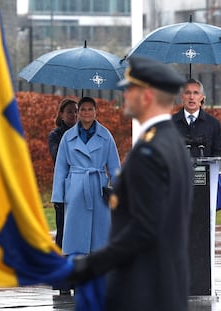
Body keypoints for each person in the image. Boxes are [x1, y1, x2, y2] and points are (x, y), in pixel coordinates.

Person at [66, 56, 193, 311]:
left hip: (143, 290)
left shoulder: (150, 151)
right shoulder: (172, 143)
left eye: (129, 90)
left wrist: (87, 266)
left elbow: (143, 229)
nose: (124, 95)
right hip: (166, 286)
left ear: (146, 96)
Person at [51, 96, 121, 261]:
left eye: (90, 109)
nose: (87, 112)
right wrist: (58, 196)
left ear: (96, 112)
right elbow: (61, 168)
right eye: (83, 109)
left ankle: (98, 279)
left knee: (100, 238)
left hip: (98, 190)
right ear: (79, 113)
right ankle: (78, 277)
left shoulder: (106, 136)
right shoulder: (68, 137)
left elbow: (114, 167)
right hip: (75, 189)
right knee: (75, 238)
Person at [172, 78, 221, 210]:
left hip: (206, 187)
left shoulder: (213, 124)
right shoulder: (171, 124)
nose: (191, 97)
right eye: (188, 93)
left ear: (202, 97)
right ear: (182, 96)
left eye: (196, 93)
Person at [48, 98, 77, 295]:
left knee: (79, 236)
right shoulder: (56, 135)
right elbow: (59, 158)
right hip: (64, 192)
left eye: (76, 111)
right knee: (63, 236)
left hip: (82, 192)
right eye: (69, 112)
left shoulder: (86, 134)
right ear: (61, 114)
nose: (74, 115)